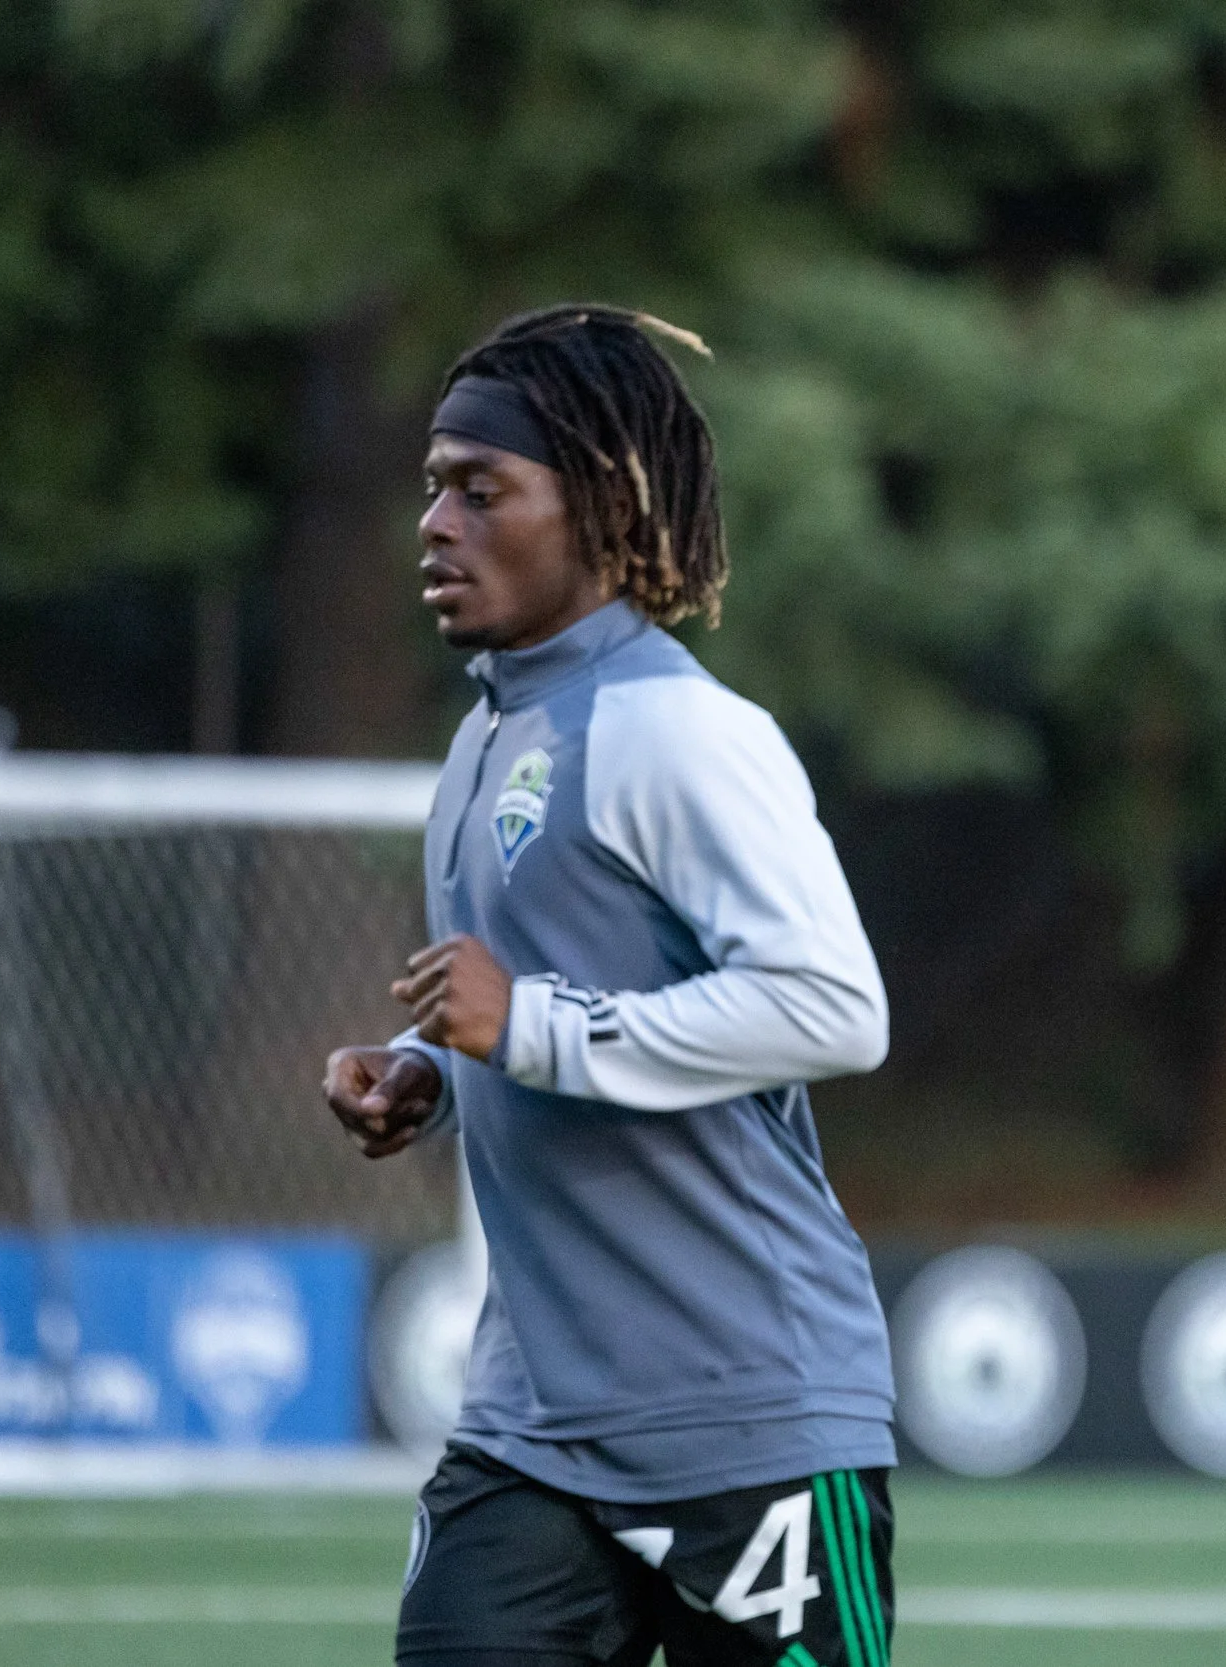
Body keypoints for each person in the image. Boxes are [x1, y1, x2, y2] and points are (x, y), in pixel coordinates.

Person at [321, 305, 898, 1667]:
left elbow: (833, 1006)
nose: (435, 526)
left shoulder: (679, 730)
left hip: (750, 1420)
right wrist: (435, 1070)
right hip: (534, 1426)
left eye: (482, 491)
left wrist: (523, 1024)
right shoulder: (482, 746)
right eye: (432, 489)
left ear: (602, 505)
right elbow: (569, 1010)